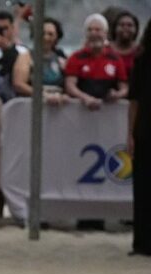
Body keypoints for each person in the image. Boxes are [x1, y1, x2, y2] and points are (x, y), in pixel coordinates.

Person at [64, 14, 128, 110]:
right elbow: (70, 85)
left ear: (105, 33)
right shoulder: (76, 57)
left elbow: (124, 88)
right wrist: (85, 98)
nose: (93, 33)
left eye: (97, 30)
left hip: (108, 111)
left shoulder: (115, 58)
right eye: (90, 30)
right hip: (80, 110)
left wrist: (117, 95)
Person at [128, 18, 150, 256]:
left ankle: (142, 242)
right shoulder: (142, 60)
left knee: (143, 189)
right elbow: (133, 100)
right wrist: (131, 134)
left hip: (143, 130)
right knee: (143, 189)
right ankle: (142, 242)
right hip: (144, 131)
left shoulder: (141, 59)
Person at [12, 17, 67, 103]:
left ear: (57, 37)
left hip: (56, 105)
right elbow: (19, 84)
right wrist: (43, 94)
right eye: (42, 33)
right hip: (31, 105)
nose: (46, 37)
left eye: (50, 34)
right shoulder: (25, 57)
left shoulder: (60, 58)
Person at [110, 10, 140, 79]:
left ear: (136, 29)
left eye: (130, 25)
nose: (125, 28)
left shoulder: (140, 51)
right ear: (115, 28)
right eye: (121, 25)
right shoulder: (105, 49)